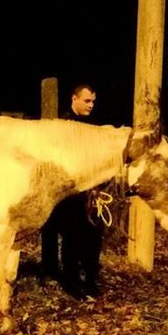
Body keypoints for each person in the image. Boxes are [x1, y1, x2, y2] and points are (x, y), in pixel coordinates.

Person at [40, 84, 105, 299]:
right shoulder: (63, 126)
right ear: (74, 99)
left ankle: (91, 279)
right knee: (72, 236)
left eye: (93, 101)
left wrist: (98, 185)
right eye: (87, 101)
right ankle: (71, 281)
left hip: (91, 190)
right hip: (68, 193)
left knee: (95, 235)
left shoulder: (93, 127)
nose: (91, 105)